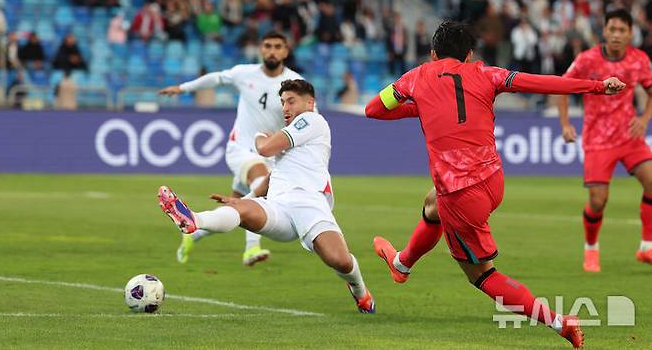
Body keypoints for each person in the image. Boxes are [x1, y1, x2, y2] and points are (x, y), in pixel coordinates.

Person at [365, 21, 626, 348]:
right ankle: (401, 264)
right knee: (433, 204)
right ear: (470, 54)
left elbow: (373, 109)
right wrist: (597, 86)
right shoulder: (487, 73)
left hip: (461, 195)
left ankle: (560, 323)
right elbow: (539, 83)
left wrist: (418, 106)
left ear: (432, 54)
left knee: (483, 276)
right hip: (493, 182)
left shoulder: (415, 77)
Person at [158, 79, 375, 313]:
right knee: (242, 211)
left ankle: (360, 292)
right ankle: (194, 220)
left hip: (310, 205)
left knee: (340, 261)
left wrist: (260, 135)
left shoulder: (313, 120)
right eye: (282, 102)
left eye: (291, 101)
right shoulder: (289, 137)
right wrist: (246, 198)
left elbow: (264, 149)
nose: (285, 108)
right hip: (278, 206)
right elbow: (272, 179)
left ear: (310, 102)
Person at [158, 31, 305, 266]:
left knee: (235, 209)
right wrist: (183, 88)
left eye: (278, 46)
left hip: (270, 156)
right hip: (241, 150)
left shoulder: (296, 83)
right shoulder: (244, 73)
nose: (272, 51)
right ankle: (251, 249)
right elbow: (215, 78)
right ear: (261, 49)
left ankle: (194, 233)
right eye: (267, 46)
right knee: (262, 187)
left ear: (286, 51)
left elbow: (308, 116)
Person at [557, 9, 652, 272]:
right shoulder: (587, 60)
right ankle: (591, 249)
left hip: (629, 136)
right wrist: (565, 124)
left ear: (631, 33)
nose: (616, 35)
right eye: (612, 29)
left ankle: (646, 247)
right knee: (598, 200)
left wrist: (644, 119)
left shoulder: (639, 60)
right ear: (604, 31)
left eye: (622, 30)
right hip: (597, 139)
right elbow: (561, 88)